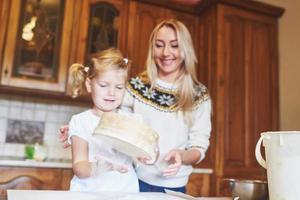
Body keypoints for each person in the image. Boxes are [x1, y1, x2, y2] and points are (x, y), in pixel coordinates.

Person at [60, 19, 211, 193]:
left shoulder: (199, 95)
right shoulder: (134, 86)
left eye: (174, 45)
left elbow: (198, 144)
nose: (165, 52)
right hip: (137, 182)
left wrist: (177, 155)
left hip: (171, 183)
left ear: (186, 49)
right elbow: (114, 122)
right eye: (159, 45)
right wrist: (76, 128)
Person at [66, 48, 140, 192]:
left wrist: (150, 157)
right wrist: (99, 167)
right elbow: (79, 166)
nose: (111, 93)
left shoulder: (131, 120)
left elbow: (147, 154)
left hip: (125, 194)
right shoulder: (80, 122)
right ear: (89, 84)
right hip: (88, 194)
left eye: (119, 87)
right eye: (104, 85)